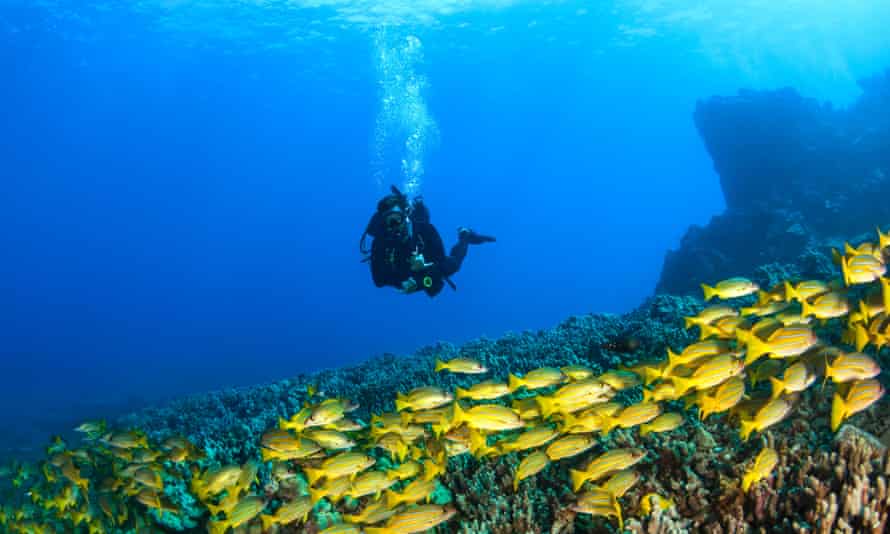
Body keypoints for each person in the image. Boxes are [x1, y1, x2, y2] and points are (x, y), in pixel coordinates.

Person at [360, 186, 495, 297]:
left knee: (453, 265)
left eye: (397, 219)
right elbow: (379, 280)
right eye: (388, 223)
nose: (393, 226)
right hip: (406, 275)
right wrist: (406, 282)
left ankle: (465, 237)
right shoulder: (380, 242)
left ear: (406, 215)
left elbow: (444, 263)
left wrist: (425, 270)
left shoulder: (424, 229)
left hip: (430, 264)